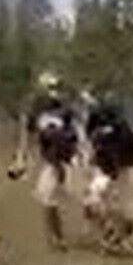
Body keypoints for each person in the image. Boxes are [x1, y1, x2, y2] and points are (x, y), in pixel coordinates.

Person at [7, 71, 83, 249]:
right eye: (49, 88)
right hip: (51, 162)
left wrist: (83, 157)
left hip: (69, 160)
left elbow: (78, 133)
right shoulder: (35, 112)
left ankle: (107, 232)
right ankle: (56, 238)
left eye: (55, 88)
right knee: (47, 197)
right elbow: (26, 138)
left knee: (85, 199)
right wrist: (20, 161)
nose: (53, 92)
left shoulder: (65, 110)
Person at [79, 88, 133, 254]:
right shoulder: (99, 129)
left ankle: (117, 239)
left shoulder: (120, 131)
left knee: (125, 211)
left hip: (120, 166)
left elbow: (125, 155)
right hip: (107, 166)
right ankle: (111, 236)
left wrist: (111, 170)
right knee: (93, 204)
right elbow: (92, 144)